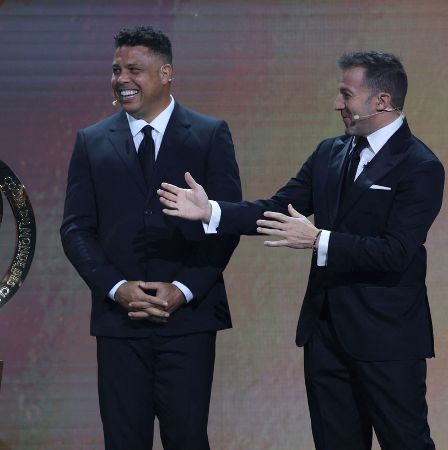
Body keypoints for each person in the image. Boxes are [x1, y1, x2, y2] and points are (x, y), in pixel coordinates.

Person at [159, 51, 442, 449]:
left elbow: (396, 251)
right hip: (324, 336)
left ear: (381, 101)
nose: (337, 104)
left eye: (346, 95)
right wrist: (212, 211)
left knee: (405, 441)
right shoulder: (330, 153)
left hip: (387, 340)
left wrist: (318, 239)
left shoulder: (420, 166)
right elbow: (276, 208)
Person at [60, 26, 242, 449]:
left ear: (166, 73)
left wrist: (183, 289)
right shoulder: (91, 141)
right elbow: (75, 229)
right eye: (116, 69)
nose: (121, 79)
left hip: (188, 321)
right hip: (120, 320)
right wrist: (115, 287)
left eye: (134, 70)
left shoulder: (210, 134)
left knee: (187, 438)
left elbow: (226, 223)